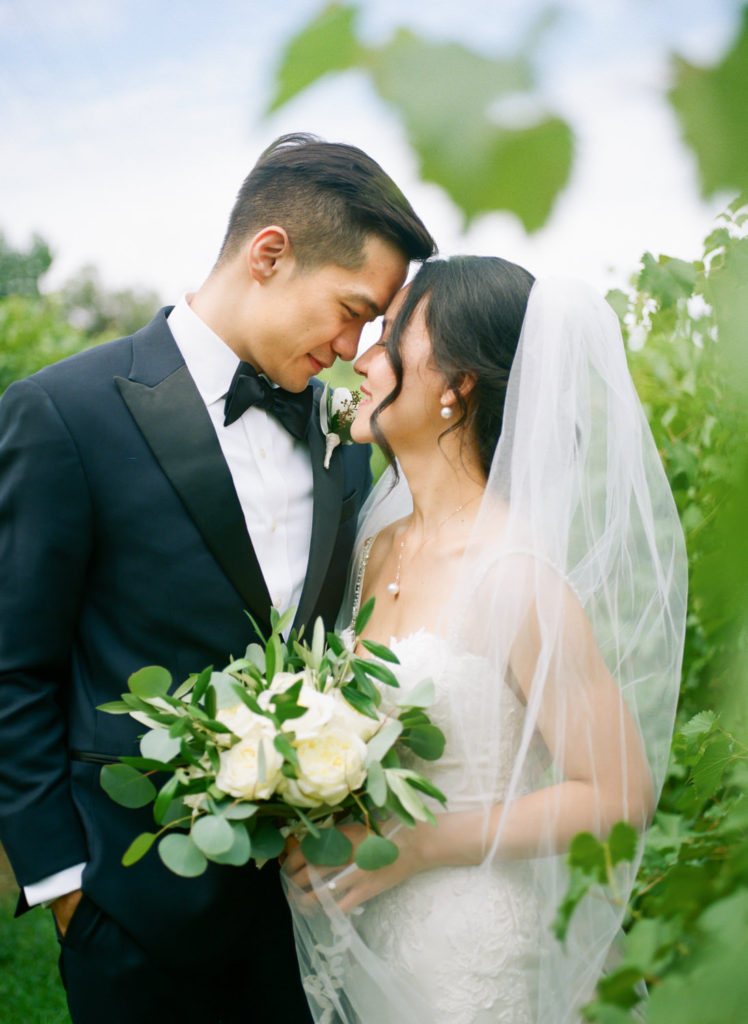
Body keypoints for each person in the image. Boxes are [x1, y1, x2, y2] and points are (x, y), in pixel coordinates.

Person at [0, 133, 435, 1024]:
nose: (353, 345)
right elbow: (14, 667)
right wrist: (65, 890)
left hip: (305, 912)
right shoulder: (63, 411)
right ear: (269, 253)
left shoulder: (340, 440)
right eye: (351, 310)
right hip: (129, 908)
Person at [283, 257, 687, 1023]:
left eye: (394, 337)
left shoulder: (515, 574)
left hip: (472, 958)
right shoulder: (376, 548)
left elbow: (619, 794)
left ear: (457, 384)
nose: (363, 358)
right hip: (369, 941)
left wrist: (424, 846)